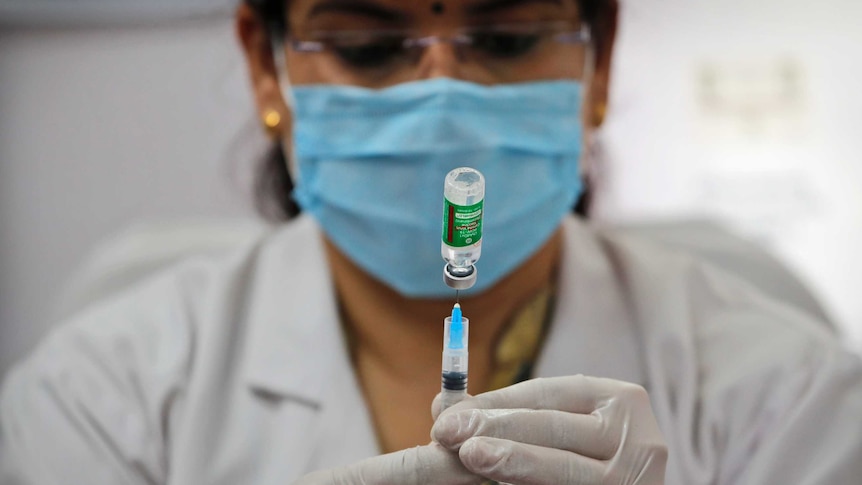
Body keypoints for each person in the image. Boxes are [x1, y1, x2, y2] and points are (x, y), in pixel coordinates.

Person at [1, 0, 861, 483]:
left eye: (507, 38)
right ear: (268, 70)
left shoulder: (785, 393)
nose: (443, 100)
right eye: (371, 47)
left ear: (599, 65)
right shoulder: (99, 398)